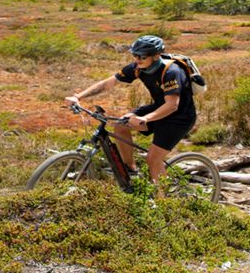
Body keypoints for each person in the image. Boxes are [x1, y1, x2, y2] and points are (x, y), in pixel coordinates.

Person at [65, 35, 196, 197]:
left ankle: (165, 203)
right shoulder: (137, 68)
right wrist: (78, 97)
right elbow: (108, 83)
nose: (137, 59)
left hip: (179, 118)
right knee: (120, 125)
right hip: (158, 109)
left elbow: (172, 105)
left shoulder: (171, 72)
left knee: (153, 159)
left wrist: (145, 118)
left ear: (156, 56)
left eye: (142, 56)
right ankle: (130, 169)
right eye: (135, 55)